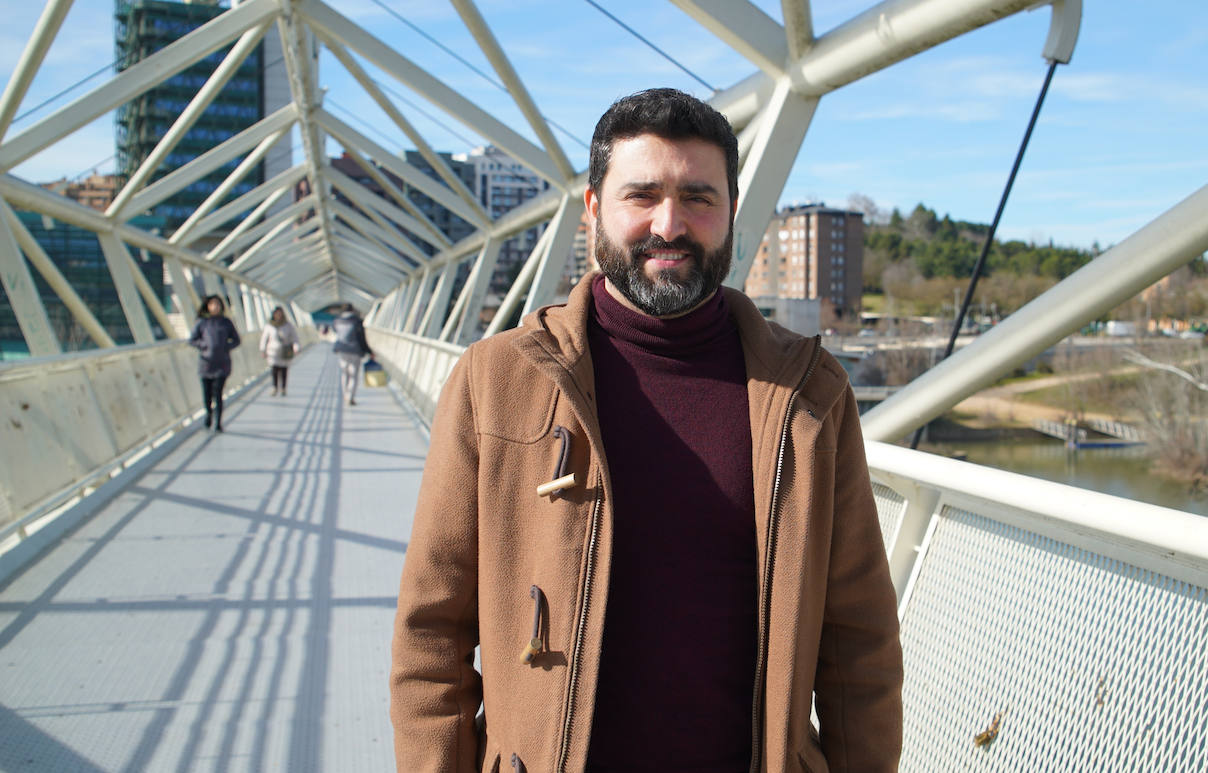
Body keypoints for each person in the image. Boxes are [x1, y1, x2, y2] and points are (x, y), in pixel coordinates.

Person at [390, 88, 902, 773]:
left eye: (699, 197)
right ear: (593, 211)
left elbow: (860, 649)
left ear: (730, 214)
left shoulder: (809, 394)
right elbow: (430, 636)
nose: (670, 223)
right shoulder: (496, 383)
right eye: (642, 195)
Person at [188, 294, 240, 432]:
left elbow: (237, 340)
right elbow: (192, 340)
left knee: (218, 393)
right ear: (208, 306)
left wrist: (226, 347)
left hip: (222, 364)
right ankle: (209, 415)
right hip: (206, 364)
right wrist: (203, 345)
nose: (215, 307)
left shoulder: (226, 322)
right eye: (212, 304)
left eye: (218, 304)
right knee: (207, 394)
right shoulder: (202, 322)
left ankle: (218, 422)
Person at [332, 303, 372, 406]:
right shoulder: (357, 321)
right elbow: (362, 339)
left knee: (344, 373)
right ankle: (350, 397)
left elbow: (335, 332)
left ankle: (345, 394)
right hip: (355, 351)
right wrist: (369, 351)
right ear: (353, 310)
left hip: (342, 350)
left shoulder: (337, 321)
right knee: (353, 375)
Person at [259, 306, 300, 397]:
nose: (278, 315)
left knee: (284, 369)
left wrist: (296, 347)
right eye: (277, 313)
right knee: (274, 369)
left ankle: (283, 388)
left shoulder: (288, 325)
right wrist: (263, 350)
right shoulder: (269, 326)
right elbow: (264, 339)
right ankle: (275, 387)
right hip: (272, 351)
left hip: (285, 350)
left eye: (280, 313)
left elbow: (295, 337)